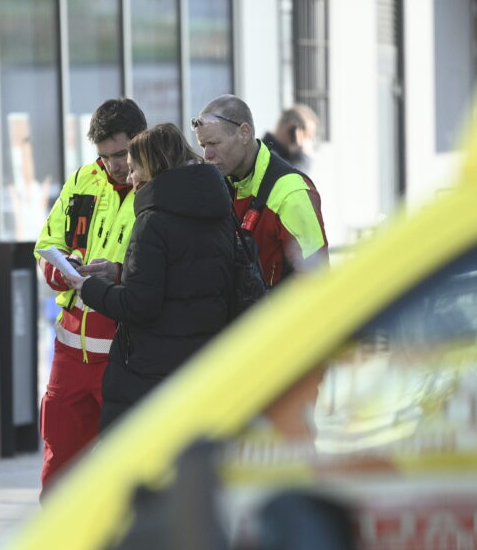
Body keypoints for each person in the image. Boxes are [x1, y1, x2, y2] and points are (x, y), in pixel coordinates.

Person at [64, 123, 235, 431]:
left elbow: (138, 305)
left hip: (152, 374)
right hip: (203, 366)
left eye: (133, 169)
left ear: (151, 167)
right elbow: (187, 280)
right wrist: (118, 272)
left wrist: (87, 287)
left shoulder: (153, 221)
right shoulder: (219, 211)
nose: (129, 178)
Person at [34, 98, 147, 494]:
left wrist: (117, 275)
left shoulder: (159, 187)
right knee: (61, 458)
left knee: (127, 465)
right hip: (71, 349)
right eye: (105, 157)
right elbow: (47, 241)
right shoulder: (84, 178)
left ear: (142, 140)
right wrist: (63, 268)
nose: (115, 166)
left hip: (127, 348)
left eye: (122, 154)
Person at [192, 94, 328, 287]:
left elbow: (317, 278)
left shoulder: (291, 193)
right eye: (203, 145)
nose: (207, 155)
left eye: (214, 144)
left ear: (244, 133)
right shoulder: (221, 184)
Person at [262, 103, 319, 173]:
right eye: (306, 137)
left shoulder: (283, 158)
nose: (307, 144)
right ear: (293, 130)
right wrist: (303, 159)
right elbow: (294, 180)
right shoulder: (268, 156)